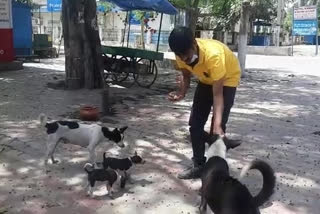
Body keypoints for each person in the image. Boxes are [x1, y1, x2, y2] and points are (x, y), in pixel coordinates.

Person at [168, 26, 241, 179]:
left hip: (227, 78)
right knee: (195, 125)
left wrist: (218, 124)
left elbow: (218, 95)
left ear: (194, 44)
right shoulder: (180, 54)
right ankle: (199, 165)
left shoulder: (214, 56)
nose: (183, 59)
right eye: (179, 56)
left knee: (217, 127)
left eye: (186, 55)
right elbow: (186, 75)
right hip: (205, 79)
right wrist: (181, 93)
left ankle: (215, 170)